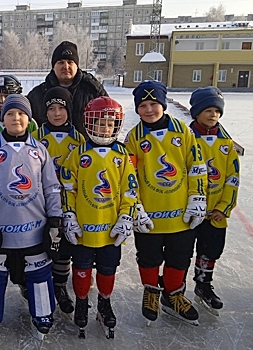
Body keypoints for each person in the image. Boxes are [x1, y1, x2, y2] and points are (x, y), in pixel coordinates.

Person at [0, 94, 63, 343]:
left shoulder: (39, 150)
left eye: (21, 114)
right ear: (3, 118)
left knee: (39, 273)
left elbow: (51, 187)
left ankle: (42, 313)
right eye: (10, 114)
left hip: (33, 229)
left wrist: (55, 219)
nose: (16, 118)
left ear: (29, 118)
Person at [124, 80, 208, 326]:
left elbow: (197, 166)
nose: (149, 110)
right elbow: (129, 178)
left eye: (154, 104)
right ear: (137, 109)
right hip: (149, 217)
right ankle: (151, 291)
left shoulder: (183, 132)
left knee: (179, 258)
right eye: (143, 105)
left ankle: (173, 295)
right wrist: (135, 206)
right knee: (148, 258)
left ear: (163, 104)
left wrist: (198, 196)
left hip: (181, 216)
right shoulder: (134, 138)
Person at [60, 96, 138, 338]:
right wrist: (69, 215)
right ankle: (82, 301)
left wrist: (126, 216)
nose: (104, 128)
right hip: (83, 229)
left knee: (107, 269)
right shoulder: (78, 154)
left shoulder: (122, 156)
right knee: (81, 269)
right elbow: (67, 188)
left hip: (110, 229)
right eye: (99, 123)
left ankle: (104, 302)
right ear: (88, 124)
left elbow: (130, 191)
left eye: (109, 123)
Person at [32, 86, 85, 315]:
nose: (56, 113)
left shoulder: (79, 139)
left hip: (71, 204)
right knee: (44, 246)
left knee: (64, 248)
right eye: (51, 108)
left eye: (61, 108)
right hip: (42, 204)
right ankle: (40, 285)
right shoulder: (36, 138)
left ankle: (60, 285)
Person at [188, 87, 240, 316]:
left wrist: (224, 208)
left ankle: (203, 284)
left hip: (215, 213)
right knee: (180, 251)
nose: (213, 115)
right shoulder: (185, 139)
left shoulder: (226, 145)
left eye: (217, 111)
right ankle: (173, 288)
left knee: (210, 250)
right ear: (196, 112)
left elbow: (232, 178)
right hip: (188, 211)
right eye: (207, 110)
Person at [27, 41, 108, 135]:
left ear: (76, 66)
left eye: (70, 62)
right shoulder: (38, 94)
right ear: (53, 66)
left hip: (85, 148)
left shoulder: (93, 91)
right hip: (47, 148)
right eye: (61, 62)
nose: (66, 67)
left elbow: (110, 121)